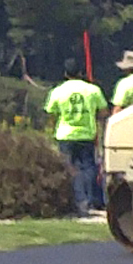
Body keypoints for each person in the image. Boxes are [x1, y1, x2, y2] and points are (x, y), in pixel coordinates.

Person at [44, 58, 109, 217]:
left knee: (70, 168)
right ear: (81, 73)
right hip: (87, 133)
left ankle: (78, 201)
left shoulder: (58, 91)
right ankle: (93, 199)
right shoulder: (93, 90)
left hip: (65, 134)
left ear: (65, 73)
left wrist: (52, 130)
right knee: (89, 167)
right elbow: (103, 112)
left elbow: (51, 114)